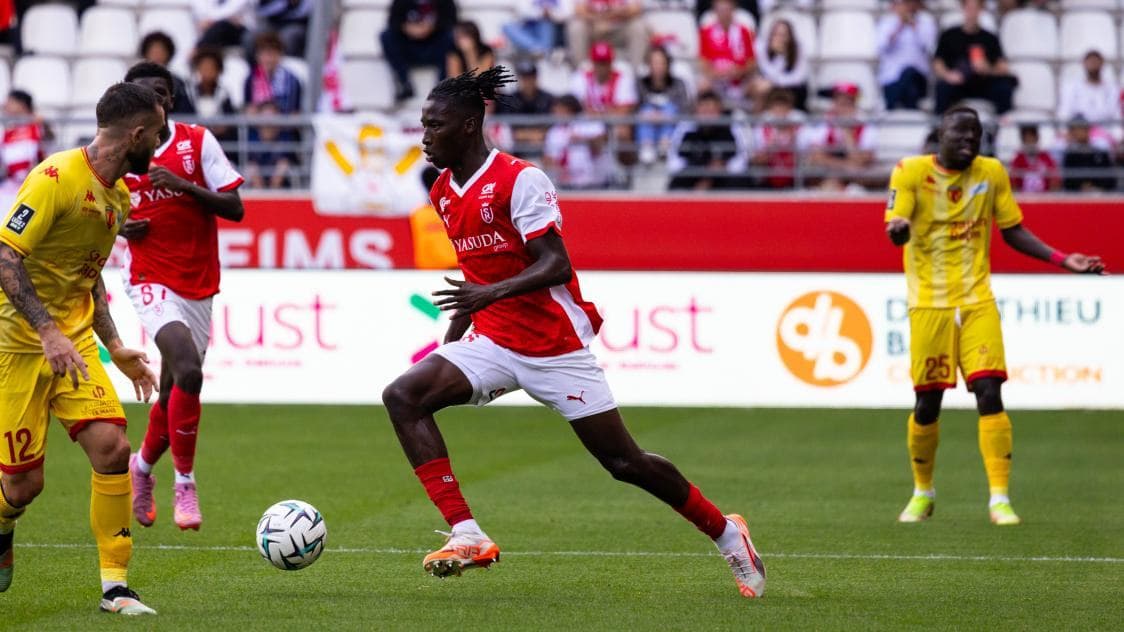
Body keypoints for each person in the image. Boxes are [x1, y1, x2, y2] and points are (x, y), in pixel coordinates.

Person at [383, 67, 766, 599]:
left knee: (624, 463)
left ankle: (727, 533)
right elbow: (477, 276)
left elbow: (556, 265)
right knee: (403, 396)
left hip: (554, 348)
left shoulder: (521, 180)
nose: (424, 137)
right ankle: (467, 533)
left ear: (470, 126)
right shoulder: (444, 192)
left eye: (434, 125)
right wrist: (455, 342)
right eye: (422, 125)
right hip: (493, 340)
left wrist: (486, 296)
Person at [885, 106, 1107, 527]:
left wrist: (1063, 259)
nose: (970, 141)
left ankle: (1000, 499)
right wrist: (899, 229)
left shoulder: (991, 173)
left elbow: (1012, 230)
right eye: (961, 134)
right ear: (940, 135)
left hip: (977, 302)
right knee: (928, 402)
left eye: (977, 135)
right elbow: (898, 220)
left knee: (989, 392)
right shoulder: (909, 171)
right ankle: (922, 492)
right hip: (928, 304)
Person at [0, 81, 163, 615]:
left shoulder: (118, 196)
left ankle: (116, 587)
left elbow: (88, 276)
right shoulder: (55, 178)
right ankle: (2, 530)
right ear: (135, 133)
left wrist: (114, 345)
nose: (157, 144)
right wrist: (46, 331)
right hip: (18, 347)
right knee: (22, 488)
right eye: (156, 134)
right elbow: (6, 257)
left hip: (74, 346)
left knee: (114, 448)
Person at [119, 62, 245, 532]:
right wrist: (118, 227)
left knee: (175, 390)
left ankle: (142, 468)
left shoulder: (197, 143)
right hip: (148, 278)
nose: (152, 101)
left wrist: (185, 186)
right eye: (142, 94)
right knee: (189, 370)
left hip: (198, 280)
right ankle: (186, 484)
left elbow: (235, 207)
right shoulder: (117, 152)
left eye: (160, 93)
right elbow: (96, 211)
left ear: (169, 100)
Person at [932, 0, 1017, 114]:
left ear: (981, 10)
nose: (972, 12)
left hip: (984, 83)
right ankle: (940, 126)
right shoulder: (949, 35)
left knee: (1004, 89)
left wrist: (988, 69)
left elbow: (1003, 67)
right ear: (963, 9)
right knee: (942, 88)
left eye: (975, 8)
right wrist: (948, 75)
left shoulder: (989, 38)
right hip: (958, 84)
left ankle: (1004, 127)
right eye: (969, 8)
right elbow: (937, 62)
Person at [667, 90, 748, 190]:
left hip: (723, 178)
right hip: (694, 177)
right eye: (704, 111)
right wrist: (703, 172)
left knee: (740, 181)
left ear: (719, 111)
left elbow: (740, 161)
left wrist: (718, 170)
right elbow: (675, 162)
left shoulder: (730, 130)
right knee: (677, 183)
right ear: (696, 111)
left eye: (711, 111)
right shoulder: (687, 129)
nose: (707, 116)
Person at [380, 0, 459, 102]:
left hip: (435, 48)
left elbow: (452, 22)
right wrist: (407, 28)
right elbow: (393, 21)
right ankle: (404, 83)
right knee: (386, 36)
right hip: (409, 48)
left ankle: (442, 87)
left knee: (451, 36)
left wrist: (431, 28)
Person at [804, 83, 878, 191]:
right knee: (827, 182)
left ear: (853, 105)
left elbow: (862, 160)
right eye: (837, 102)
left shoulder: (866, 126)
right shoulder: (825, 123)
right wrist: (846, 166)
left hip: (857, 178)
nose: (839, 108)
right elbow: (816, 157)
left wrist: (847, 132)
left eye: (845, 103)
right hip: (831, 172)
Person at [636, 46, 692, 165]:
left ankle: (665, 145)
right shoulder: (640, 84)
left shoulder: (678, 84)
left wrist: (666, 116)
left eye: (662, 63)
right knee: (646, 110)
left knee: (670, 108)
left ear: (668, 64)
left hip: (671, 126)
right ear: (648, 65)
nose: (658, 67)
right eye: (654, 63)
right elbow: (634, 108)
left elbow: (685, 108)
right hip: (647, 126)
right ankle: (647, 146)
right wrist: (650, 114)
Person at [876, 0, 937, 110]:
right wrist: (899, 27)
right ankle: (909, 109)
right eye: (903, 3)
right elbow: (882, 47)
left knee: (909, 72)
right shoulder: (886, 22)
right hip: (892, 79)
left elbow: (929, 48)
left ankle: (892, 105)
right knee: (909, 89)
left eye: (909, 3)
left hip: (918, 78)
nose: (907, 7)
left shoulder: (926, 22)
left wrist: (914, 27)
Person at [698, 0, 756, 106]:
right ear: (715, 11)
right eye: (720, 9)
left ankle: (757, 122)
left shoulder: (744, 31)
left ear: (733, 10)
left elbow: (752, 62)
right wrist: (716, 74)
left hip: (741, 79)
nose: (724, 13)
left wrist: (740, 71)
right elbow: (703, 62)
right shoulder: (706, 32)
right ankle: (707, 120)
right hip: (716, 80)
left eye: (727, 9)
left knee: (759, 88)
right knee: (703, 86)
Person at [1057, 50, 1119, 148]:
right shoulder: (1072, 88)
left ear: (1102, 63)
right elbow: (1064, 112)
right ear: (1084, 64)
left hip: (1102, 133)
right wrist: (1065, 132)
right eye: (1090, 61)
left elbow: (1116, 114)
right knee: (1058, 146)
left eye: (1096, 61)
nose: (1093, 64)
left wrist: (1118, 137)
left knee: (1102, 145)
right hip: (1076, 131)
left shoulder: (1111, 89)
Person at [567, 0, 648, 68]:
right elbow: (578, 10)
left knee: (638, 26)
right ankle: (581, 75)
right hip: (594, 28)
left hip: (620, 28)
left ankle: (635, 76)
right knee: (576, 26)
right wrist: (599, 20)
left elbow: (636, 9)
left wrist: (607, 19)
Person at [751, 19, 808, 112]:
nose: (779, 38)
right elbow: (765, 70)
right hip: (769, 85)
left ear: (790, 36)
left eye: (783, 35)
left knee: (766, 89)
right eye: (776, 34)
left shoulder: (799, 48)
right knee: (757, 87)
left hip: (792, 87)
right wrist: (777, 56)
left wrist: (783, 56)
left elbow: (798, 78)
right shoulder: (762, 46)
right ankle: (758, 121)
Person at [244, 31, 303, 114]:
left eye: (272, 54)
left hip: (284, 124)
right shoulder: (251, 79)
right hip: (259, 124)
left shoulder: (292, 80)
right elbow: (248, 108)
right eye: (264, 54)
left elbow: (295, 111)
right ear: (257, 56)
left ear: (280, 55)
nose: (268, 59)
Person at [138, 32, 195, 115]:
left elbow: (186, 113)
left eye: (161, 51)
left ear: (168, 54)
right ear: (146, 54)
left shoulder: (177, 83)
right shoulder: (135, 80)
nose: (157, 55)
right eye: (153, 51)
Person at [1061, 115, 1115, 192]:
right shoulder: (1070, 155)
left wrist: (1096, 187)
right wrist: (1081, 187)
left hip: (1101, 196)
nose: (1077, 132)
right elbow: (1067, 182)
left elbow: (1111, 179)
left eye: (1080, 128)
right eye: (1073, 129)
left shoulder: (1101, 153)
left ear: (1087, 129)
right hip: (1077, 198)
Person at [503, 0, 572, 58]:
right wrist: (541, 12)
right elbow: (522, 10)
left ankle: (539, 49)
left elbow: (568, 13)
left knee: (545, 23)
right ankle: (537, 48)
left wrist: (550, 13)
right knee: (507, 27)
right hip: (528, 27)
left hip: (550, 27)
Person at [1009, 124, 1058, 193]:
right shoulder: (1018, 158)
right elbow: (1013, 181)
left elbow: (1054, 178)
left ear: (1037, 138)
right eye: (1026, 139)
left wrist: (1050, 196)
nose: (1029, 141)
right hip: (1024, 197)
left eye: (1032, 138)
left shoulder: (1046, 157)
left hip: (1045, 197)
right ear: (1023, 140)